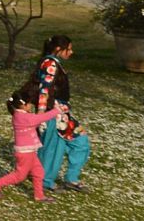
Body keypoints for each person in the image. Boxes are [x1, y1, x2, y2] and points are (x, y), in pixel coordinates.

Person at [34, 34, 93, 194]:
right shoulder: (50, 65)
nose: (71, 52)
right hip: (53, 113)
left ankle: (70, 178)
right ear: (59, 49)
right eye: (69, 49)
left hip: (62, 114)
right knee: (53, 148)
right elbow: (44, 89)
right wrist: (42, 115)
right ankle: (46, 181)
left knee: (81, 142)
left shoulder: (53, 63)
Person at [0, 87, 68, 201]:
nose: (31, 106)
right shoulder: (23, 117)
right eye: (29, 104)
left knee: (38, 172)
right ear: (23, 105)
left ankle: (39, 195)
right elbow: (41, 118)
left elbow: (35, 121)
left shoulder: (19, 115)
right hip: (24, 153)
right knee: (19, 176)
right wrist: (57, 110)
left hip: (30, 152)